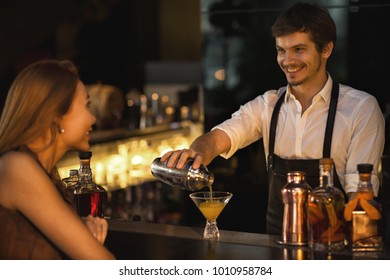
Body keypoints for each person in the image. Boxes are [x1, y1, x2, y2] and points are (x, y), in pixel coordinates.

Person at [161, 2, 385, 235]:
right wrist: (197, 154)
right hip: (277, 247)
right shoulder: (267, 105)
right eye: (281, 50)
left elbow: (360, 196)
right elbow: (219, 137)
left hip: (333, 248)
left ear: (326, 49)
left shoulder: (361, 108)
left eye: (299, 49)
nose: (287, 60)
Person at [0, 60, 115, 259]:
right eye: (86, 105)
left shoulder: (44, 173)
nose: (93, 119)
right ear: (56, 115)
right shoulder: (17, 166)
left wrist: (80, 231)